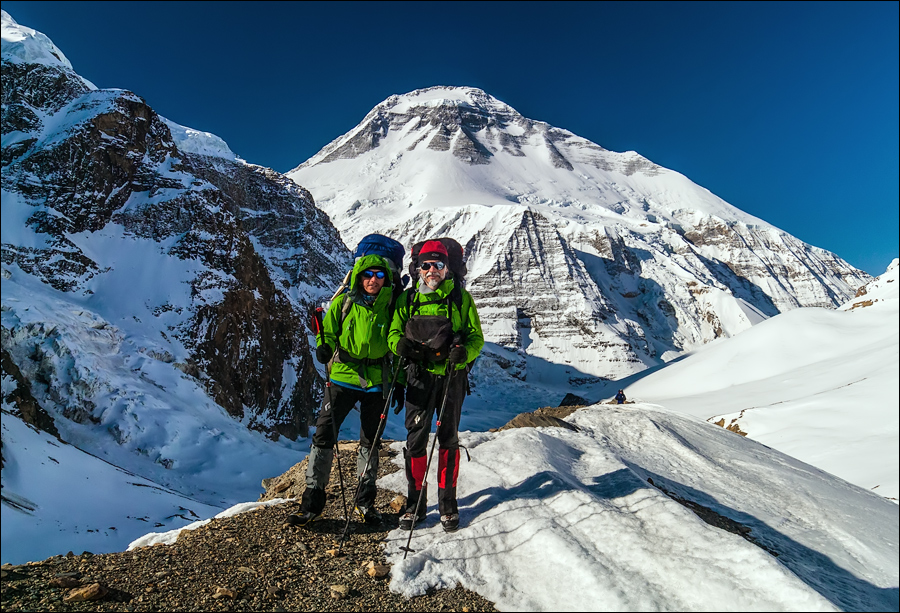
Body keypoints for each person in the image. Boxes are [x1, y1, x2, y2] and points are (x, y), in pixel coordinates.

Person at [288, 254, 399, 526]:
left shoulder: (392, 306)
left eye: (380, 275)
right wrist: (324, 345)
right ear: (359, 276)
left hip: (376, 381)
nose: (373, 279)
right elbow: (326, 331)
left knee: (370, 441)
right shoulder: (343, 302)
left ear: (387, 278)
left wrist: (400, 382)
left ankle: (364, 503)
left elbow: (398, 343)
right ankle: (311, 504)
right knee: (325, 433)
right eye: (368, 274)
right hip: (343, 377)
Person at [389, 240, 484, 533]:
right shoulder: (406, 301)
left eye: (438, 265)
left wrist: (464, 354)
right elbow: (394, 333)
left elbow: (476, 337)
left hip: (451, 378)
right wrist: (399, 344)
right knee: (415, 440)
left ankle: (448, 504)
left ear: (446, 268)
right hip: (418, 376)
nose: (432, 270)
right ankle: (414, 503)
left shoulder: (460, 299)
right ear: (418, 268)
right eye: (426, 265)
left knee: (448, 440)